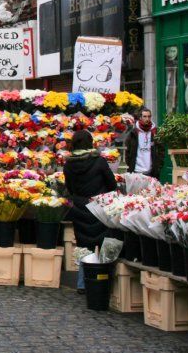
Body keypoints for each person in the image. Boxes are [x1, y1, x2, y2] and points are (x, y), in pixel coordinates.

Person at [63, 130, 118, 292]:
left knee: (83, 244)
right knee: (102, 242)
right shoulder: (99, 162)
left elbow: (70, 188)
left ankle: (82, 283)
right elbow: (112, 185)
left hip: (80, 208)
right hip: (99, 207)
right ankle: (101, 280)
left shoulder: (69, 165)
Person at [125, 108, 164, 178]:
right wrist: (130, 164)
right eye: (145, 116)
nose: (147, 119)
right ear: (140, 117)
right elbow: (128, 150)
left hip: (151, 171)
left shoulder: (155, 132)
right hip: (136, 170)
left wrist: (158, 165)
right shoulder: (134, 132)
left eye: (149, 116)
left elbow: (161, 149)